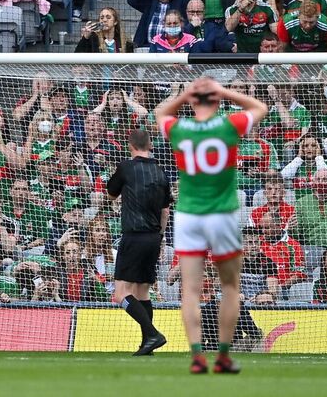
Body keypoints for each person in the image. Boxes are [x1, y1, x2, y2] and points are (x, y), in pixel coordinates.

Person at [155, 77, 268, 374]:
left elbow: (160, 114)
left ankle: (196, 355)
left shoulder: (180, 128)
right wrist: (225, 91)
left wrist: (185, 96)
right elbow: (260, 106)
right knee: (230, 287)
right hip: (222, 213)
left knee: (190, 291)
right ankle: (223, 356)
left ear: (193, 103)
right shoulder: (227, 125)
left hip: (190, 214)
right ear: (217, 101)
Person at [106, 128, 172, 356]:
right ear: (150, 145)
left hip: (134, 235)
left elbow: (110, 194)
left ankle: (152, 333)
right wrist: (161, 238)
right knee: (143, 292)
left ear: (130, 145)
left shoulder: (126, 167)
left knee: (120, 294)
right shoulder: (161, 172)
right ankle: (147, 343)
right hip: (154, 238)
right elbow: (165, 211)